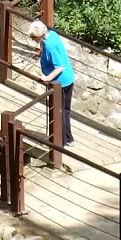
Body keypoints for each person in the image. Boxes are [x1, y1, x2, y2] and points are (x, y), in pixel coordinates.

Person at [28, 19, 75, 148]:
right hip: (69, 78)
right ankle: (68, 139)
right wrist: (40, 50)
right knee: (65, 110)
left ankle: (61, 142)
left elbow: (60, 66)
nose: (34, 40)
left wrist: (47, 78)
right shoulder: (52, 35)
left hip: (60, 82)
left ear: (39, 36)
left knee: (58, 111)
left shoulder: (49, 46)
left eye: (34, 38)